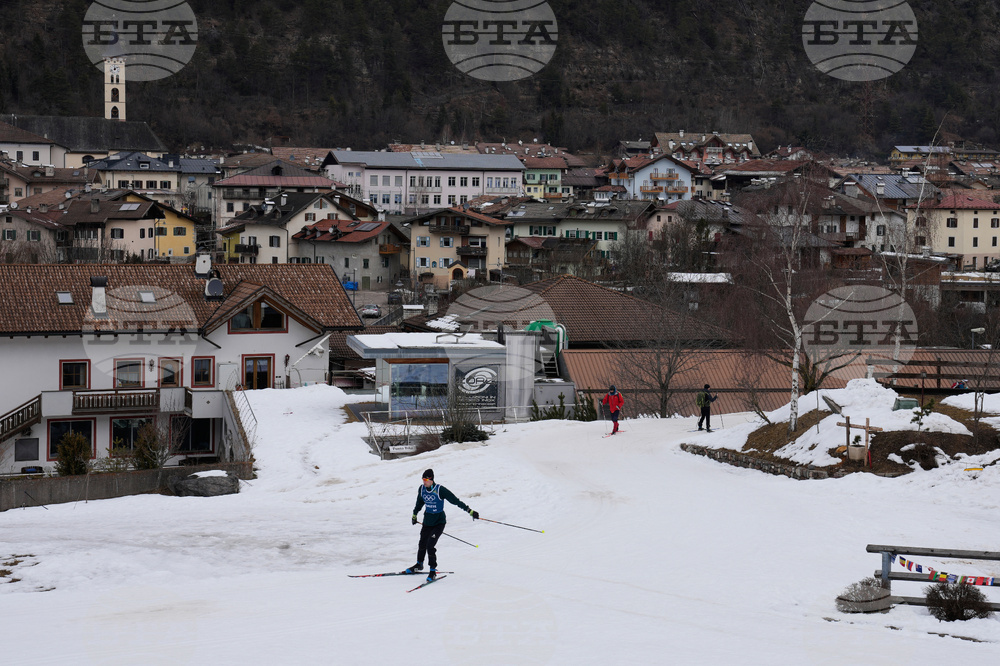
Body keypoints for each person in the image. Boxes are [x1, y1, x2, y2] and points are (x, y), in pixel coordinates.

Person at [407, 469, 478, 581]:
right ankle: (419, 564)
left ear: (431, 479)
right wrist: (414, 515)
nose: (424, 482)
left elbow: (455, 501)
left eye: (426, 480)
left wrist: (470, 511)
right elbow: (419, 502)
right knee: (422, 543)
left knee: (430, 545)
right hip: (427, 521)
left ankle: (432, 571)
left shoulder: (440, 490)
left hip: (439, 523)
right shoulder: (422, 489)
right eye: (422, 479)